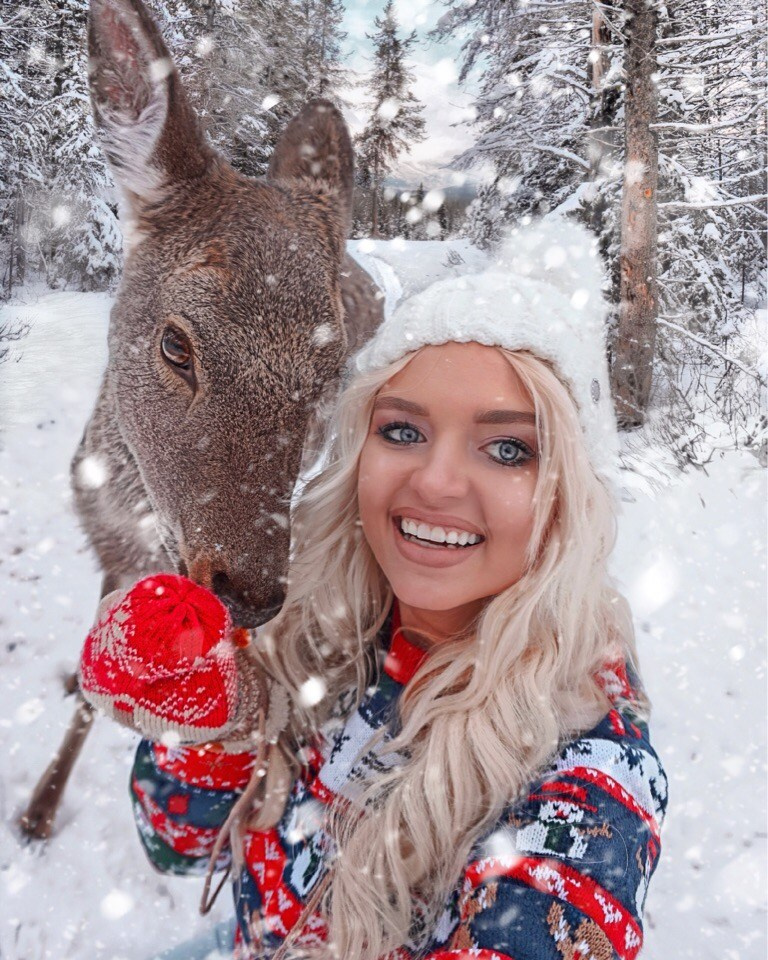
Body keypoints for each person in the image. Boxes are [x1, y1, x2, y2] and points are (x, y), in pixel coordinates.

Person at [79, 219, 668, 960]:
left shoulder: (589, 778)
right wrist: (212, 728)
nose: (436, 481)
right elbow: (178, 846)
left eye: (507, 448)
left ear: (567, 495)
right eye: (403, 432)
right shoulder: (313, 628)